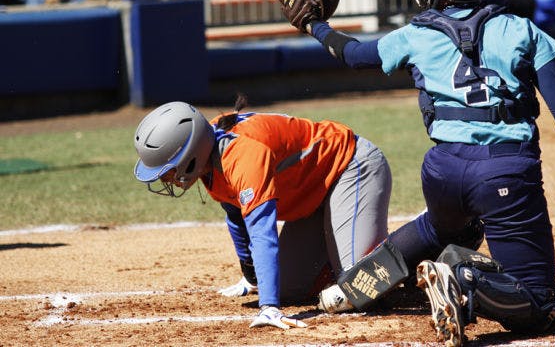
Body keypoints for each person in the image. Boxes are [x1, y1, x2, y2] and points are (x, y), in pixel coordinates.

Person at [299, 0, 555, 346]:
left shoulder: (418, 33)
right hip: (505, 175)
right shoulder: (520, 29)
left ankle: (350, 288)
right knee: (541, 307)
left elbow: (353, 55)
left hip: (442, 173)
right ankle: (462, 277)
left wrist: (315, 26)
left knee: (445, 228)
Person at [133, 97, 392, 330]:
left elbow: (262, 233)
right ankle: (336, 254)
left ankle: (423, 237)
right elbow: (234, 213)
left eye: (168, 168)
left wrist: (269, 307)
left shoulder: (242, 156)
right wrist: (251, 276)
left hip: (350, 167)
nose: (166, 177)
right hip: (313, 195)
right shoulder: (209, 149)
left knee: (360, 288)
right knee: (288, 288)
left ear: (190, 155)